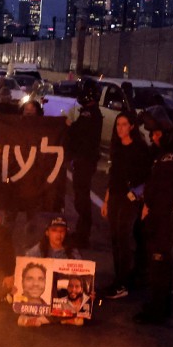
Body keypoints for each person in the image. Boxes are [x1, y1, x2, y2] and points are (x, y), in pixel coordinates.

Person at [135, 100, 173, 323]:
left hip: (162, 216)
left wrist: (150, 211)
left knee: (159, 260)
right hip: (159, 214)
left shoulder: (171, 156)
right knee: (157, 261)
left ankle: (159, 309)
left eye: (156, 133)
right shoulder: (164, 151)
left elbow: (162, 191)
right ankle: (158, 302)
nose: (153, 137)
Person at [101, 111, 152, 300]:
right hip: (115, 196)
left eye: (124, 124)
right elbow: (113, 175)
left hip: (130, 199)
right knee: (115, 238)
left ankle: (123, 282)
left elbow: (148, 177)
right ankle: (119, 278)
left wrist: (142, 200)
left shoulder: (139, 148)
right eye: (118, 125)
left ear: (132, 126)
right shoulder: (117, 147)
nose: (120, 128)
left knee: (123, 238)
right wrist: (106, 200)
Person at [64, 80, 103, 246]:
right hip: (84, 160)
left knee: (82, 198)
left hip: (85, 161)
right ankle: (81, 231)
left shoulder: (89, 113)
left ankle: (83, 234)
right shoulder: (90, 112)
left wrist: (68, 125)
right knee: (81, 197)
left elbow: (78, 133)